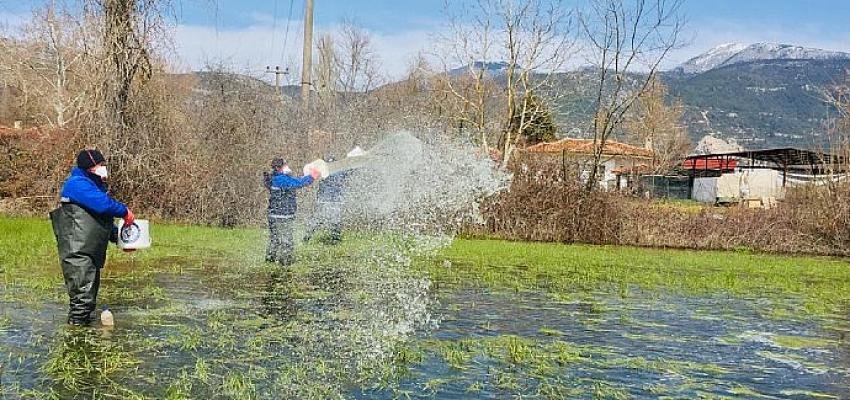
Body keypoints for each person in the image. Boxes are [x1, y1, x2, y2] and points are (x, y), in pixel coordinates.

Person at [49, 149, 134, 326]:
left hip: (90, 251)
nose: (103, 168)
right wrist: (124, 211)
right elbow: (103, 206)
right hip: (78, 252)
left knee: (88, 299)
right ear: (90, 167)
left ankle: (84, 331)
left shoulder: (93, 187)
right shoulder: (77, 184)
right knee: (82, 301)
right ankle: (76, 336)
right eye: (100, 165)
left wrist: (122, 240)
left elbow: (101, 221)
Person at [264, 157, 319, 265]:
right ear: (278, 168)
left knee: (275, 239)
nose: (287, 166)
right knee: (287, 240)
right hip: (282, 216)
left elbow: (294, 181)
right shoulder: (281, 179)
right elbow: (298, 183)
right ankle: (285, 262)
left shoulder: (275, 178)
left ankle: (270, 260)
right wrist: (312, 176)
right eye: (285, 165)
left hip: (273, 215)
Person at [303, 155, 353, 245]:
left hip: (324, 199)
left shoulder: (322, 171)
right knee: (334, 220)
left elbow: (311, 175)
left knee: (318, 219)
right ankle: (335, 239)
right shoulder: (340, 171)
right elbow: (351, 170)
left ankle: (307, 237)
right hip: (335, 200)